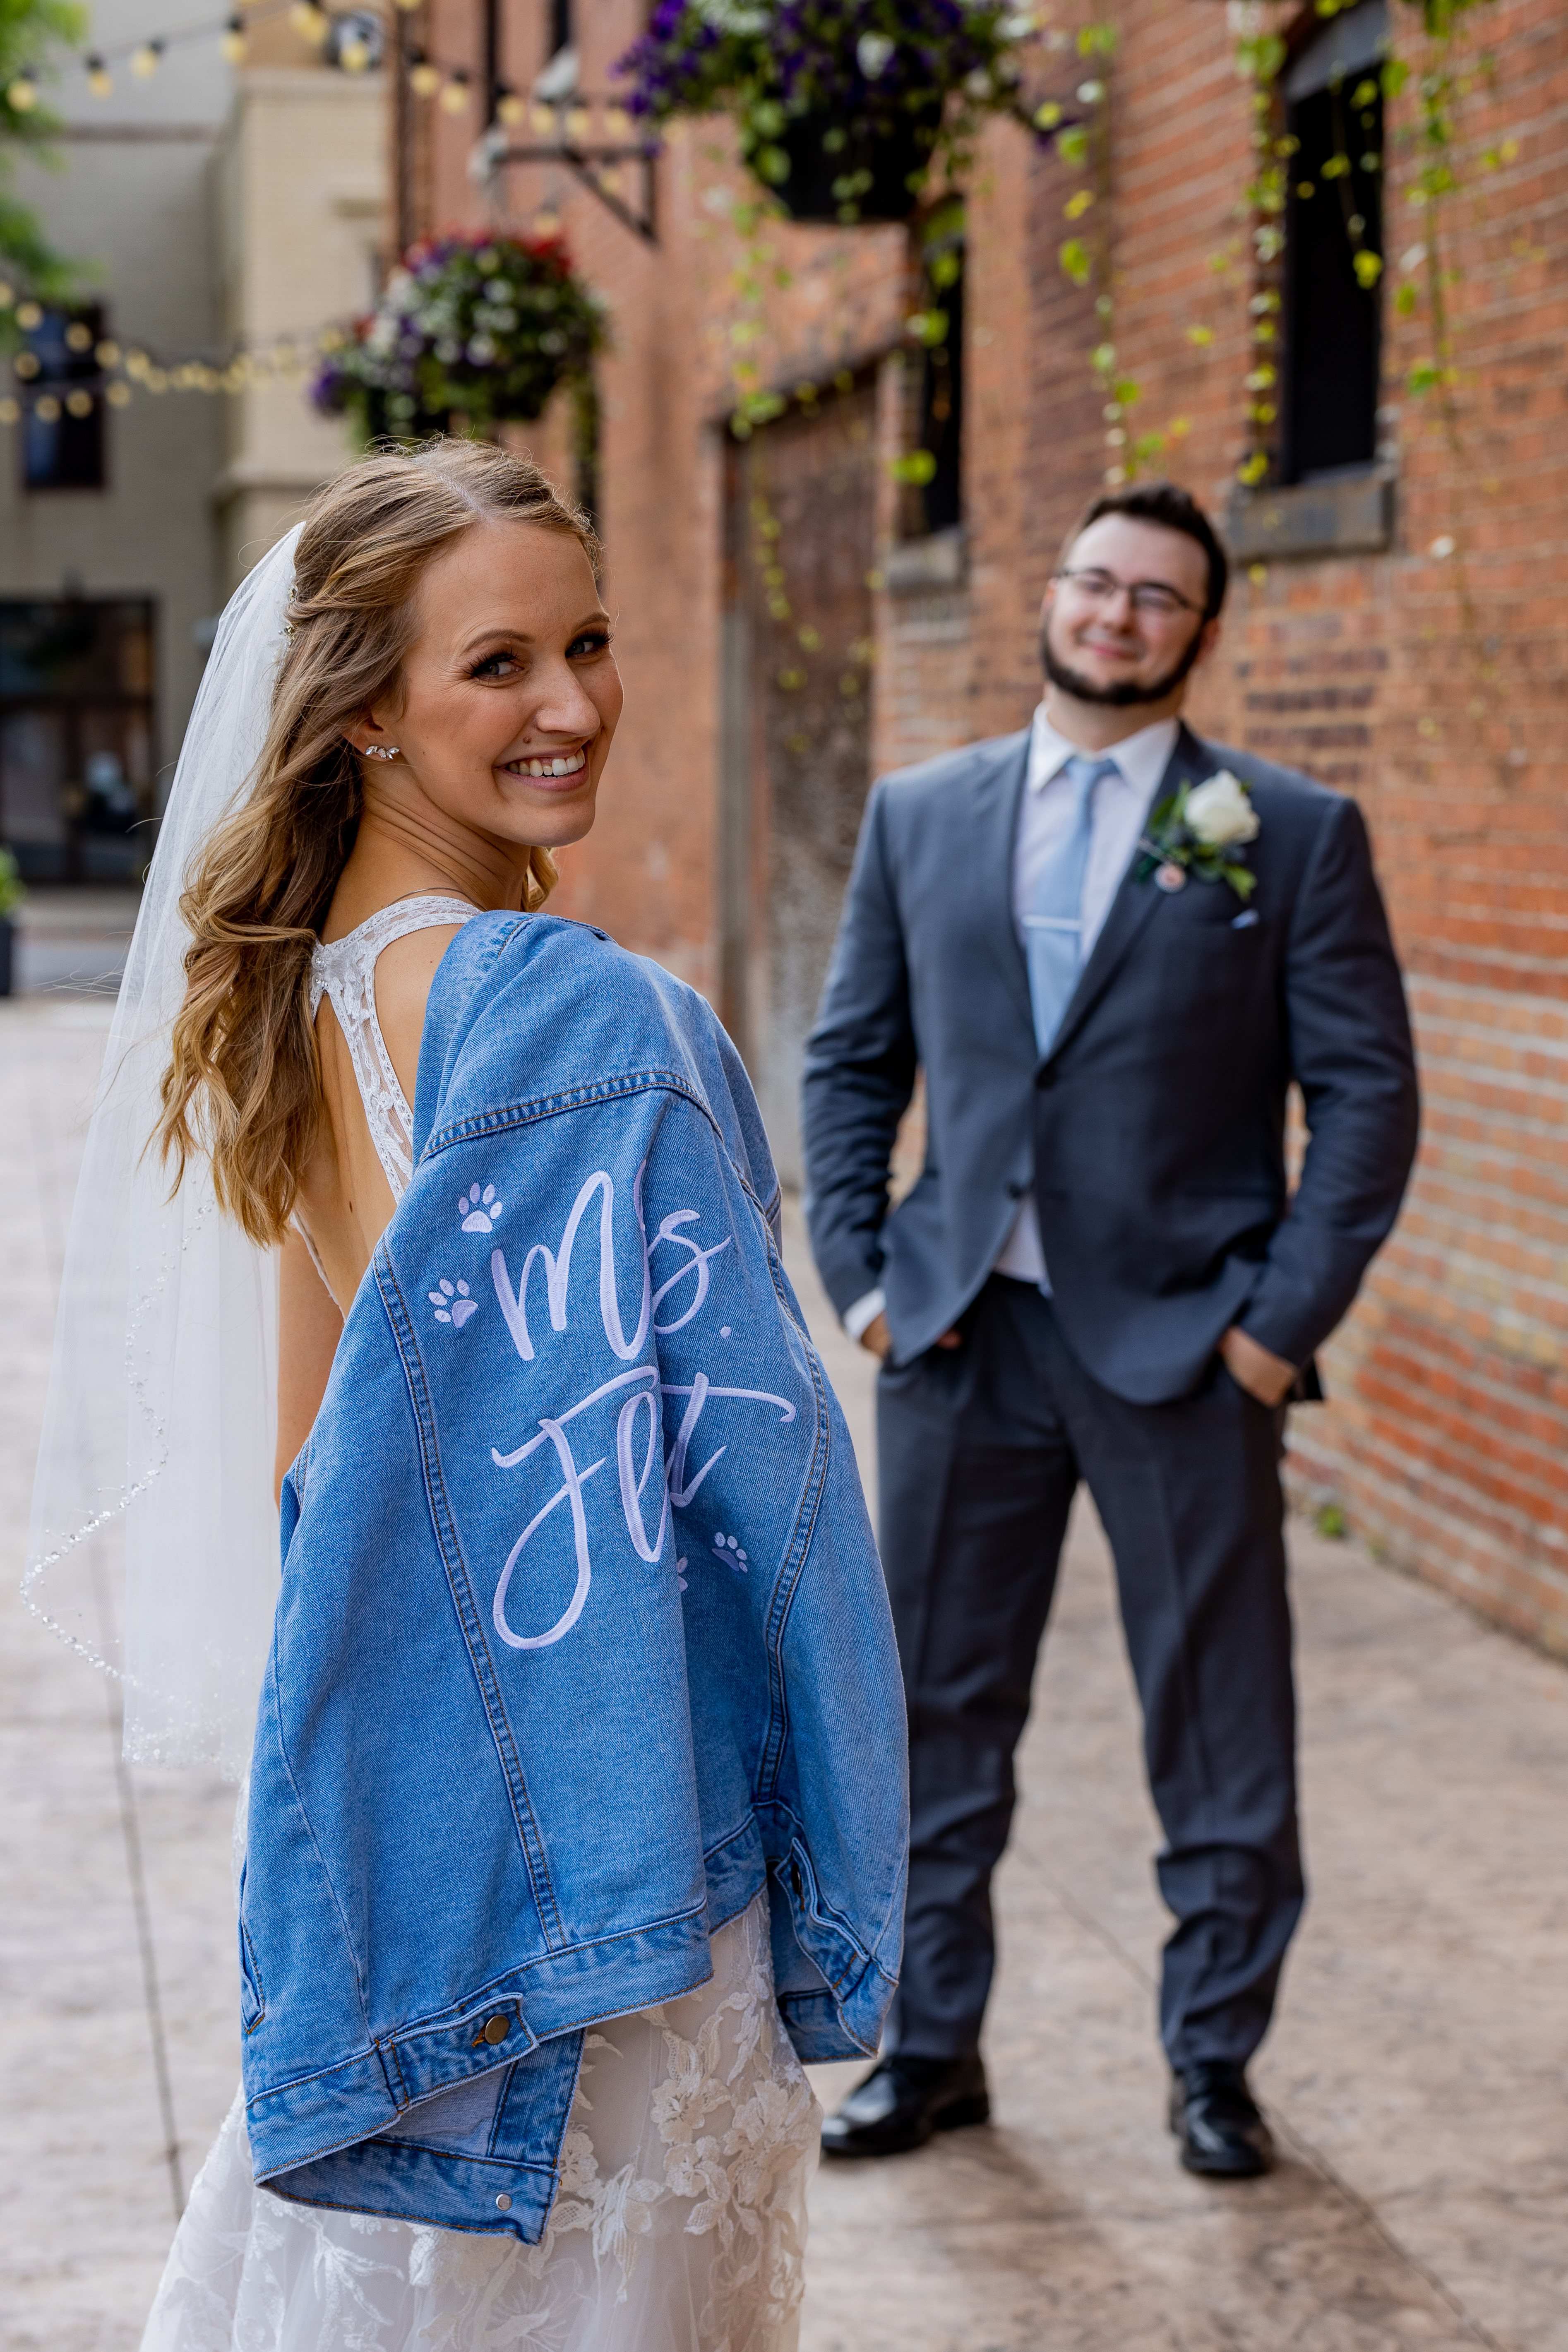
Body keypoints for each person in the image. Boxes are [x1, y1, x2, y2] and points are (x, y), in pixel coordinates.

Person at [26, 438, 907, 2352]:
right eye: (498, 663)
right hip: (624, 1828)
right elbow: (770, 1492)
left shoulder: (308, 999)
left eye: (589, 642)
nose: (575, 702)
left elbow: (309, 1468)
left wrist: (365, 1810)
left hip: (419, 1853)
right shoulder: (582, 1008)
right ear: (362, 708)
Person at [801, 480, 1419, 2177]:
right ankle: (927, 2051)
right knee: (929, 1710)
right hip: (954, 1336)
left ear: (1201, 632)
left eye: (1157, 595)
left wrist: (1277, 1330)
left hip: (1185, 1346)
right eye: (1094, 579)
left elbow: (1366, 1096)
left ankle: (1213, 2062)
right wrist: (862, 1272)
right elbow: (853, 1056)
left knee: (1218, 1718)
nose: (1117, 612)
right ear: (1055, 596)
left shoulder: (1284, 830)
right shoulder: (923, 811)